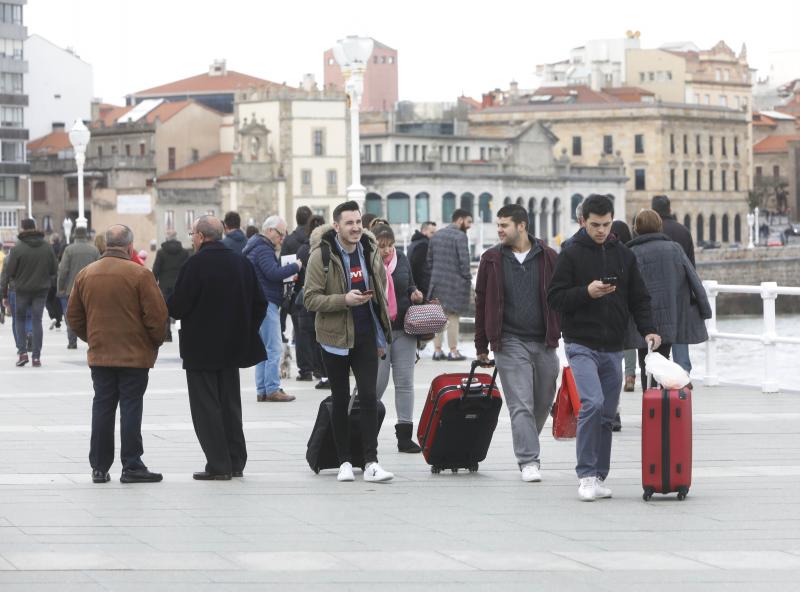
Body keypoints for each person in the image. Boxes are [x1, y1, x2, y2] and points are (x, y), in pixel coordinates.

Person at [547, 194, 660, 502]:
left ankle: (599, 475)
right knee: (593, 403)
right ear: (583, 221)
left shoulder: (624, 254)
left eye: (606, 225)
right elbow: (555, 298)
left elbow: (639, 297)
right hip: (580, 342)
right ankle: (585, 474)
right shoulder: (569, 253)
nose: (601, 231)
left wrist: (649, 329)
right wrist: (587, 292)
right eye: (595, 225)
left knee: (608, 415)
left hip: (613, 345)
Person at [67, 224, 168, 484]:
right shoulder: (140, 274)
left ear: (106, 245)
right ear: (129, 246)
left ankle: (99, 467)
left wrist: (93, 338)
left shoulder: (86, 274)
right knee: (131, 407)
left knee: (102, 406)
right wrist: (152, 343)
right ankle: (132, 465)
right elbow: (157, 317)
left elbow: (74, 317)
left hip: (101, 355)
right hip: (134, 357)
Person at [168, 216, 267, 480]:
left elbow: (177, 306)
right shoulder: (241, 262)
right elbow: (260, 303)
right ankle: (236, 461)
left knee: (206, 408)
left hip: (201, 350)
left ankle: (218, 464)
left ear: (201, 236)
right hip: (233, 347)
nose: (192, 239)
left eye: (192, 235)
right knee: (230, 405)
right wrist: (246, 329)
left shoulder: (195, 265)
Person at [304, 200, 394, 483]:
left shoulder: (369, 249)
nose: (355, 228)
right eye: (349, 223)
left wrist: (381, 332)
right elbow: (309, 298)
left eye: (358, 222)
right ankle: (344, 461)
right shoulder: (322, 256)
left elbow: (380, 287)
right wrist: (344, 300)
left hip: (366, 334)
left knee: (369, 397)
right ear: (337, 226)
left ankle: (371, 461)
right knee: (341, 399)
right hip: (334, 338)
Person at [475, 204, 561, 482]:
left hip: (545, 341)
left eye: (504, 225)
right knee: (520, 404)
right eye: (498, 225)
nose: (499, 230)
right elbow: (481, 304)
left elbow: (561, 299)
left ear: (521, 226)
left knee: (543, 402)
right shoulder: (491, 259)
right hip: (509, 341)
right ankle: (528, 460)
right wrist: (481, 345)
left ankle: (527, 441)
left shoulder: (549, 257)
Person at [625, 210, 712, 388]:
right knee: (664, 359)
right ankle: (664, 405)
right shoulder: (674, 249)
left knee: (645, 361)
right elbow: (694, 279)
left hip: (641, 321)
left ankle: (650, 406)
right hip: (670, 316)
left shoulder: (630, 252)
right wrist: (704, 309)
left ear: (636, 228)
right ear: (659, 226)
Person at [372, 224, 425, 453]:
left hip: (404, 330)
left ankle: (404, 436)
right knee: (376, 385)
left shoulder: (401, 258)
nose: (386, 251)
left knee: (405, 384)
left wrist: (416, 294)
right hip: (379, 332)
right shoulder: (368, 261)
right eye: (382, 246)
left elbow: (410, 283)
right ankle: (365, 433)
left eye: (390, 245)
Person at [243, 216, 301, 402]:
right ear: (269, 231)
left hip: (258, 302)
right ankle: (273, 389)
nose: (282, 238)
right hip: (266, 302)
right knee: (274, 348)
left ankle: (262, 390)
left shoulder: (255, 246)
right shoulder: (263, 249)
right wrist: (295, 266)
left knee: (262, 349)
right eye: (280, 234)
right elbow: (273, 273)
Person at [0, 218, 58, 367]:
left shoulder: (18, 248)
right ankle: (36, 357)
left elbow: (10, 271)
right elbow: (54, 269)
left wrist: (5, 294)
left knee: (19, 319)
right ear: (35, 227)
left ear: (22, 229)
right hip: (41, 289)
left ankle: (23, 353)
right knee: (36, 320)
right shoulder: (46, 246)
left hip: (22, 289)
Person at [651, 195, 695, 381]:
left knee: (658, 339)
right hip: (679, 292)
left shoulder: (648, 233)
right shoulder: (683, 232)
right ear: (670, 209)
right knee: (679, 336)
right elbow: (691, 266)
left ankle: (658, 377)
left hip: (655, 294)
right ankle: (683, 374)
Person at [427, 208, 473, 361]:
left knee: (438, 317)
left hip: (437, 283)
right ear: (460, 220)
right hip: (455, 284)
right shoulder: (460, 236)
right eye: (468, 222)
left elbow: (429, 261)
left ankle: (437, 350)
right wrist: (467, 279)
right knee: (453, 317)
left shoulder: (436, 235)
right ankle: (453, 351)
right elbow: (464, 262)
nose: (470, 225)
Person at [295, 214, 329, 389]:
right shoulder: (333, 251)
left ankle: (315, 372)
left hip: (308, 299)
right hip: (329, 300)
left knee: (309, 339)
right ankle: (325, 374)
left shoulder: (304, 250)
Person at [281, 206, 313, 380]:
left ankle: (305, 369)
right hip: (316, 292)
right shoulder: (315, 239)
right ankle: (319, 368)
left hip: (296, 294)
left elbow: (285, 270)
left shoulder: (290, 240)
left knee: (300, 333)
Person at [57, 227, 100, 349]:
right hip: (91, 289)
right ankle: (92, 341)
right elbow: (100, 267)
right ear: (86, 236)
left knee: (71, 315)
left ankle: (72, 342)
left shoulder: (69, 250)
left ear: (74, 236)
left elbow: (63, 270)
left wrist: (61, 287)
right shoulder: (94, 250)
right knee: (91, 315)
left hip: (72, 289)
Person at [152, 230, 190, 342]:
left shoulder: (161, 252)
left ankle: (167, 334)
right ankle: (184, 333)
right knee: (183, 310)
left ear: (167, 238)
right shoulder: (184, 253)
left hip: (165, 286)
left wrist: (154, 283)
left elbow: (156, 270)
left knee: (165, 310)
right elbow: (187, 269)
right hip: (180, 285)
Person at [407, 221, 436, 297]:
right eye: (432, 233)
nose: (434, 236)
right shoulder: (424, 245)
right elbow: (418, 269)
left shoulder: (414, 243)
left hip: (415, 288)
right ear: (424, 231)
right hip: (421, 291)